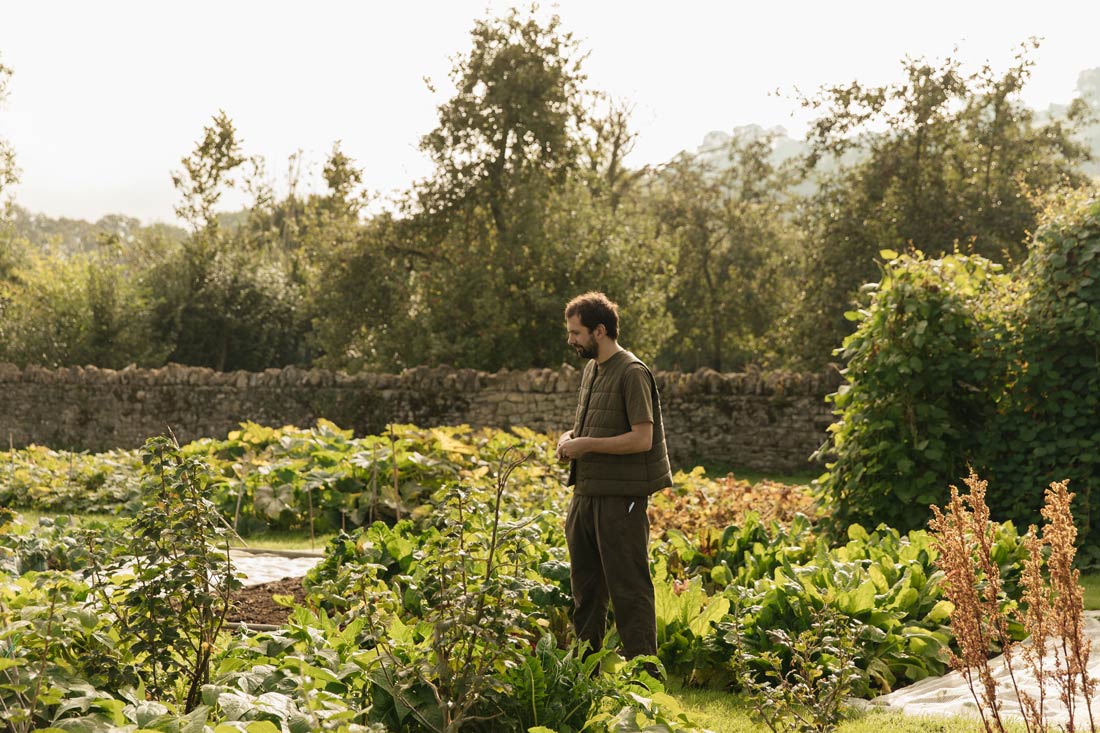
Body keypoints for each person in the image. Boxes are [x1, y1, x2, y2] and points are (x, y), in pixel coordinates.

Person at [556, 291, 673, 660]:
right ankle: (584, 673)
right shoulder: (592, 369)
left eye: (576, 332)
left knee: (629, 590)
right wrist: (570, 438)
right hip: (586, 494)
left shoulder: (632, 372)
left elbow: (642, 439)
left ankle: (645, 677)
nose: (571, 340)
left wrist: (586, 444)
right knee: (585, 591)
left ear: (600, 331)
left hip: (621, 500)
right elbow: (597, 427)